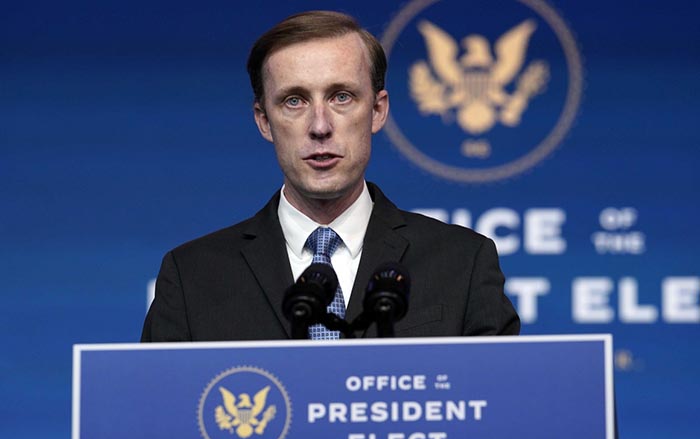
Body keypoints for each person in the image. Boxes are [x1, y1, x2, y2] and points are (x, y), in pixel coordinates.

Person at [141, 10, 519, 342]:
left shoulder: (462, 262)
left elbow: (500, 396)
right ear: (264, 120)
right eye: (294, 100)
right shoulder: (192, 276)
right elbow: (159, 401)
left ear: (377, 111)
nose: (320, 126)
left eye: (341, 96)